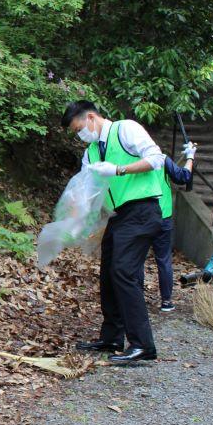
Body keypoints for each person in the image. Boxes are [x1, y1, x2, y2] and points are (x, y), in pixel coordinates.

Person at [61, 101, 165, 364]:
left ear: (92, 117)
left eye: (79, 128)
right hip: (120, 215)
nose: (80, 135)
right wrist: (76, 217)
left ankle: (143, 345)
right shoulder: (92, 152)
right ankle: (111, 338)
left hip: (144, 209)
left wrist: (119, 169)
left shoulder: (125, 129)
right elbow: (86, 188)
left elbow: (156, 159)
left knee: (123, 271)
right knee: (108, 271)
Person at [154, 143, 196, 312]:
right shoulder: (161, 158)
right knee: (163, 259)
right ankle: (166, 301)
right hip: (162, 216)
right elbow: (183, 176)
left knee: (138, 259)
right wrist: (190, 157)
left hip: (140, 217)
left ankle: (136, 299)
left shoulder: (131, 161)